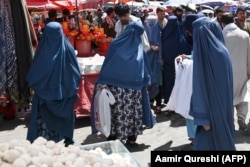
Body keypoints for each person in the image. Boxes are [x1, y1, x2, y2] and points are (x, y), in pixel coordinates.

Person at [90, 7, 156, 148]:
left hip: (118, 89)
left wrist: (104, 81)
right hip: (134, 88)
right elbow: (145, 66)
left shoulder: (115, 44)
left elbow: (109, 65)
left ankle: (117, 136)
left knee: (118, 111)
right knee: (133, 111)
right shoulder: (138, 48)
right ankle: (131, 138)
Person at [26, 22, 81, 146]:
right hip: (66, 95)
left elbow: (35, 74)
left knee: (44, 125)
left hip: (45, 97)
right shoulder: (68, 49)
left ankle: (46, 144)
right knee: (65, 118)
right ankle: (66, 140)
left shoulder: (43, 51)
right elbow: (76, 73)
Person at [190, 17, 235, 150]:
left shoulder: (204, 55)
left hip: (210, 116)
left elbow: (199, 85)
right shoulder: (223, 52)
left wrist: (203, 118)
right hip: (224, 109)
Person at [221, 12, 250, 132]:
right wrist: (249, 70)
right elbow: (249, 55)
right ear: (234, 20)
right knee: (242, 94)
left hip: (225, 72)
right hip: (242, 71)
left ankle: (229, 123)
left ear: (222, 23)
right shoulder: (245, 35)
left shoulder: (221, 35)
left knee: (227, 97)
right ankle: (241, 117)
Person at [145, 6, 167, 114]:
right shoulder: (147, 31)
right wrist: (150, 46)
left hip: (159, 58)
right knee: (150, 80)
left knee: (158, 80)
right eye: (148, 23)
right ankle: (150, 102)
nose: (150, 25)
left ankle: (158, 103)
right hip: (149, 58)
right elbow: (144, 42)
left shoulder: (163, 26)